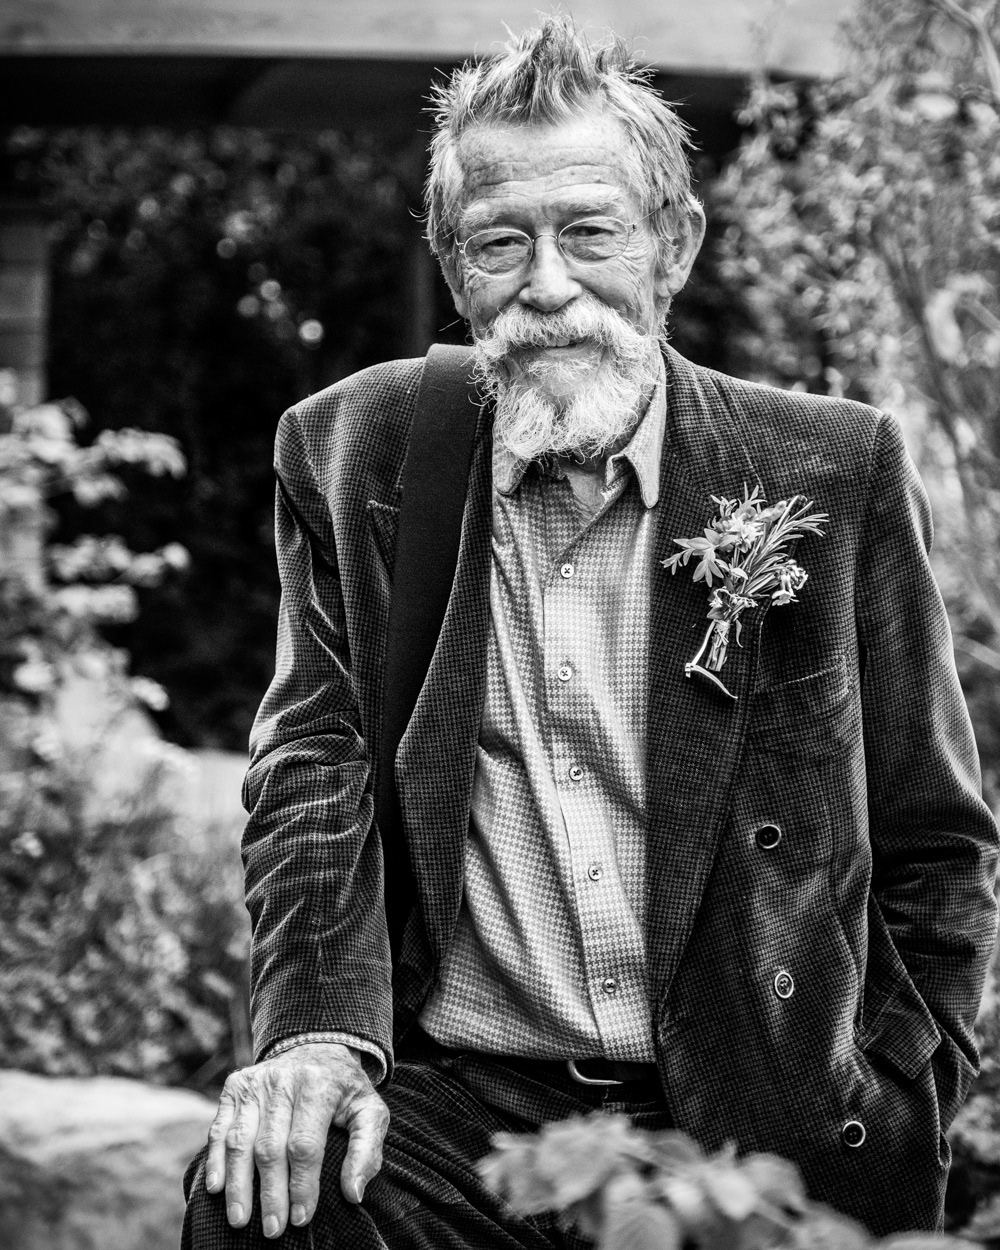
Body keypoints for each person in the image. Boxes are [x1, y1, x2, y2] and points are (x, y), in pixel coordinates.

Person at [183, 15, 999, 1246]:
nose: (548, 285)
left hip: (758, 1110)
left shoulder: (833, 469)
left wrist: (901, 1077)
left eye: (590, 232)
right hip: (468, 1110)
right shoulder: (357, 452)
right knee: (259, 1208)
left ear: (674, 246)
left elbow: (936, 836)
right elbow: (312, 767)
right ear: (454, 266)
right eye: (500, 241)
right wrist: (315, 1036)